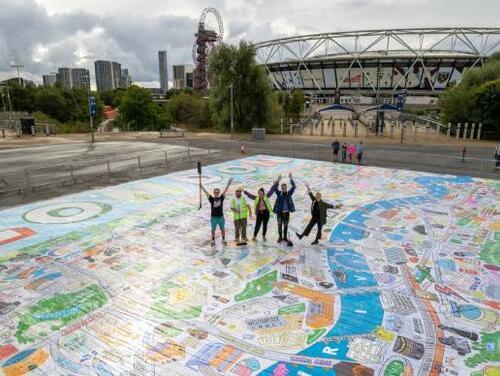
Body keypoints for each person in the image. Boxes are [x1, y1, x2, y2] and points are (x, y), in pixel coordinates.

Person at [200, 178, 233, 247]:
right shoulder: (211, 199)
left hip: (221, 217)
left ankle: (223, 239)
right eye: (215, 192)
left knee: (222, 229)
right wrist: (201, 187)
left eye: (218, 192)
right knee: (213, 230)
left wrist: (229, 184)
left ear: (219, 193)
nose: (216, 193)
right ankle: (213, 240)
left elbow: (225, 190)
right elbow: (206, 192)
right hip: (214, 218)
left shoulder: (221, 198)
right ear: (214, 193)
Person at [271, 173, 296, 247]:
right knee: (279, 225)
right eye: (283, 188)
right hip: (279, 212)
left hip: (287, 213)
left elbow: (294, 187)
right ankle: (280, 237)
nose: (284, 188)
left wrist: (291, 178)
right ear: (281, 188)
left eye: (285, 187)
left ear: (286, 188)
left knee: (285, 225)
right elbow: (274, 188)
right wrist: (278, 180)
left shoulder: (289, 193)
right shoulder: (279, 193)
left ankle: (285, 237)